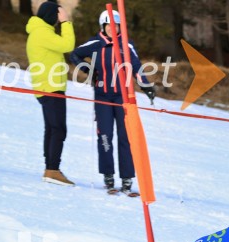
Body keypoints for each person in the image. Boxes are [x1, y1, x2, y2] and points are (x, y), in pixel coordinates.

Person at [70, 10, 155, 196]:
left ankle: (127, 179)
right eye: (108, 26)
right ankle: (108, 177)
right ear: (103, 27)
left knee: (126, 138)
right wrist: (87, 69)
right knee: (105, 137)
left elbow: (137, 66)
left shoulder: (127, 44)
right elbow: (74, 54)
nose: (112, 29)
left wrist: (147, 86)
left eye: (116, 26)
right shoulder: (95, 43)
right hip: (103, 97)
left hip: (123, 98)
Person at [26, 1, 75, 186]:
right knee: (58, 129)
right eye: (58, 15)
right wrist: (66, 23)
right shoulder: (42, 34)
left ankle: (50, 167)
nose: (59, 19)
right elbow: (68, 44)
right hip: (51, 88)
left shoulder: (40, 32)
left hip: (47, 87)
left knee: (52, 129)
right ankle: (52, 169)